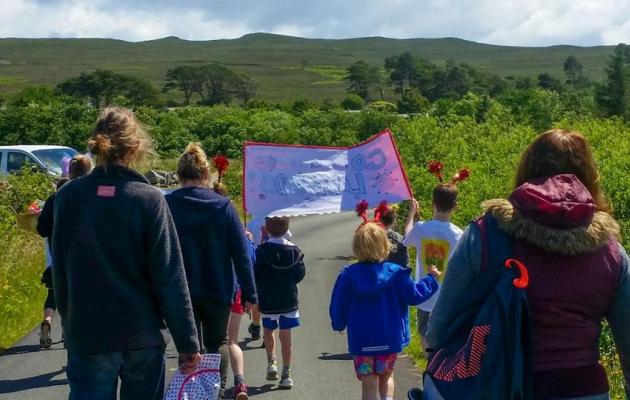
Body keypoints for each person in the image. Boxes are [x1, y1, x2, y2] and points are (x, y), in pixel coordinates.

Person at [428, 129, 630, 399]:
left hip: (499, 385)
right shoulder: (611, 251)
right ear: (589, 176)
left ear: (527, 169)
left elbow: (439, 329)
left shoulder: (486, 235)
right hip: (584, 389)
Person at [52, 108, 201, 400]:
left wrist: (70, 325)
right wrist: (187, 342)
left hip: (88, 333)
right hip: (141, 334)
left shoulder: (68, 197)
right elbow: (170, 277)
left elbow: (61, 270)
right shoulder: (149, 199)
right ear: (135, 148)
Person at [166, 143, 257, 400]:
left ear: (179, 174)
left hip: (180, 290)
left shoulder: (167, 205)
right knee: (217, 341)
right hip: (218, 286)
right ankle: (215, 392)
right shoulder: (223, 206)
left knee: (187, 345)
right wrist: (250, 292)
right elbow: (241, 254)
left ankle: (190, 394)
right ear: (206, 174)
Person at [329, 220, 440, 400]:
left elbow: (339, 304)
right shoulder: (397, 273)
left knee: (369, 382)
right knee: (386, 376)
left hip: (362, 341)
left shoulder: (348, 276)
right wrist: (431, 279)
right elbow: (414, 295)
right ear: (385, 246)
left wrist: (338, 323)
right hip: (389, 339)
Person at [36, 155, 92, 348]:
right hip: (89, 260)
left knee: (63, 300)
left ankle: (69, 335)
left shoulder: (56, 197)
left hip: (60, 258)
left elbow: (42, 228)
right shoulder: (93, 194)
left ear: (69, 171)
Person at [403, 185, 463, 351]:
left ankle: (429, 365)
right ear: (455, 206)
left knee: (424, 334)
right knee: (446, 337)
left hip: (425, 294)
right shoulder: (459, 234)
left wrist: (411, 214)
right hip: (447, 296)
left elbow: (406, 238)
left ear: (433, 204)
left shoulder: (422, 228)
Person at [255, 216, 305, 390]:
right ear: (287, 229)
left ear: (267, 229)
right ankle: (287, 373)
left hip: (268, 299)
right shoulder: (295, 252)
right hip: (288, 299)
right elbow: (300, 275)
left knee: (268, 332)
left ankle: (271, 362)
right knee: (286, 337)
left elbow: (255, 273)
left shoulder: (260, 251)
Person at [227, 231, 257, 400]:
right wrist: (249, 242)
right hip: (235, 291)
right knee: (232, 341)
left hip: (206, 293)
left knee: (208, 343)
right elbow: (250, 263)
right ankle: (239, 382)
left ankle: (209, 383)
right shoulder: (240, 236)